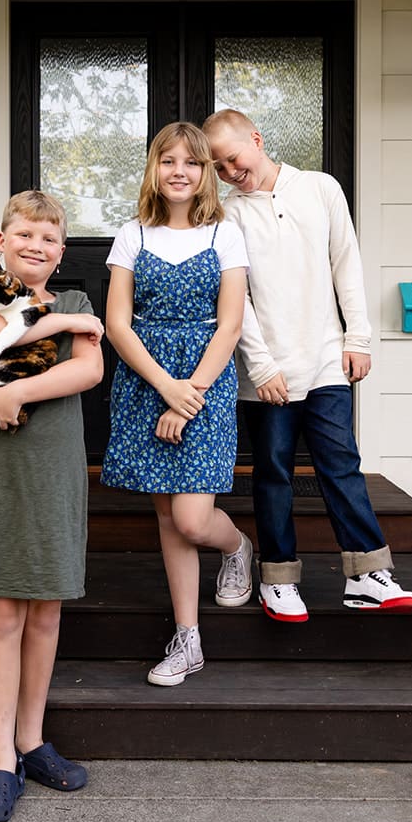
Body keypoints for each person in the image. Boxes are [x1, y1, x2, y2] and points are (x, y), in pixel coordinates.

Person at [202, 108, 412, 622]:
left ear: (256, 139)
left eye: (232, 158)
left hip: (325, 358)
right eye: (218, 167)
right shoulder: (227, 216)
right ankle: (277, 577)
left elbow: (346, 261)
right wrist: (260, 366)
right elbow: (237, 302)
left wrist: (358, 337)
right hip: (268, 373)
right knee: (273, 473)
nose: (230, 172)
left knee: (340, 463)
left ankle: (367, 573)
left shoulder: (320, 188)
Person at [0, 190, 105, 822]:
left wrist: (20, 395)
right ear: (2, 242)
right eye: (24, 236)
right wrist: (65, 327)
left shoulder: (79, 299)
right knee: (2, 613)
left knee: (44, 610)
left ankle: (32, 742)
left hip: (53, 469)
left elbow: (88, 373)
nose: (35, 246)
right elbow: (1, 336)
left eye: (48, 239)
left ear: (61, 251)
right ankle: (0, 763)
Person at [101, 121, 255, 686]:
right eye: (169, 161)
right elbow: (118, 324)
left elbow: (230, 323)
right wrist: (164, 387)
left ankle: (238, 545)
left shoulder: (224, 235)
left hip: (206, 384)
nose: (180, 172)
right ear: (154, 169)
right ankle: (188, 638)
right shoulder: (132, 235)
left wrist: (186, 395)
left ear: (206, 172)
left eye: (192, 162)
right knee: (168, 514)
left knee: (193, 519)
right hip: (146, 382)